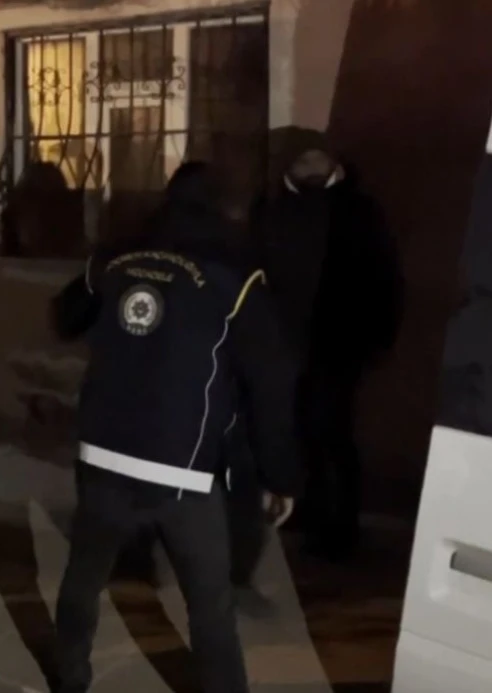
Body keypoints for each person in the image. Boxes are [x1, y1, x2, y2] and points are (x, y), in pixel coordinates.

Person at [49, 162, 303, 693]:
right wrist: (279, 476)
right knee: (209, 603)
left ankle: (68, 678)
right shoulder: (237, 276)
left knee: (84, 574)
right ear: (224, 206)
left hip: (103, 453)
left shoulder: (116, 259)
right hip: (182, 467)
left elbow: (65, 319)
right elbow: (271, 384)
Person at [253, 141, 402, 560]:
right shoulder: (272, 212)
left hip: (339, 345)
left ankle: (340, 524)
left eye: (319, 156)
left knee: (333, 433)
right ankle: (306, 511)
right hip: (284, 344)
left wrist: (376, 339)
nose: (312, 165)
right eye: (303, 158)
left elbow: (385, 279)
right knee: (295, 430)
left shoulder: (360, 211)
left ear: (335, 161)